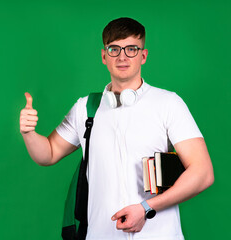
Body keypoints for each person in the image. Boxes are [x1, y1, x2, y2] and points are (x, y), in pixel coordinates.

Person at [20, 17, 214, 240]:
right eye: (114, 49)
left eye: (131, 49)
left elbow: (203, 173)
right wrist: (29, 134)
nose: (122, 56)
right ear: (104, 56)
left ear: (143, 55)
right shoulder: (86, 108)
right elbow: (49, 154)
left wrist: (145, 208)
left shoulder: (169, 104)